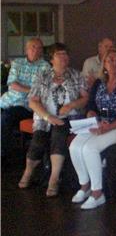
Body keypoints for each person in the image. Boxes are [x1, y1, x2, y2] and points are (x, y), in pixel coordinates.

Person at [18, 43, 88, 197]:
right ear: (51, 59)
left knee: (58, 134)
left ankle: (54, 178)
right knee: (38, 139)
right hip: (45, 118)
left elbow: (85, 98)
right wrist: (48, 116)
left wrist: (71, 105)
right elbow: (33, 101)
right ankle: (28, 172)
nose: (64, 57)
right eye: (59, 54)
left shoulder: (76, 75)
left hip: (68, 118)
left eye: (65, 54)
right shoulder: (42, 76)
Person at [69, 48, 116, 209]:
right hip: (98, 124)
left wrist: (109, 127)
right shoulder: (98, 83)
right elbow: (90, 105)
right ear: (104, 64)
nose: (113, 62)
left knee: (90, 148)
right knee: (75, 146)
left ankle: (98, 193)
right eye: (110, 60)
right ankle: (85, 186)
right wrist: (91, 115)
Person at [1, 38, 50, 157]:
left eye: (39, 48)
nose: (36, 50)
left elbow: (42, 90)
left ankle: (3, 154)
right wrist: (31, 89)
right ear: (26, 49)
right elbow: (12, 83)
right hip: (6, 101)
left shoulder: (45, 66)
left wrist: (27, 89)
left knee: (5, 117)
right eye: (33, 47)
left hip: (25, 105)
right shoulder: (17, 63)